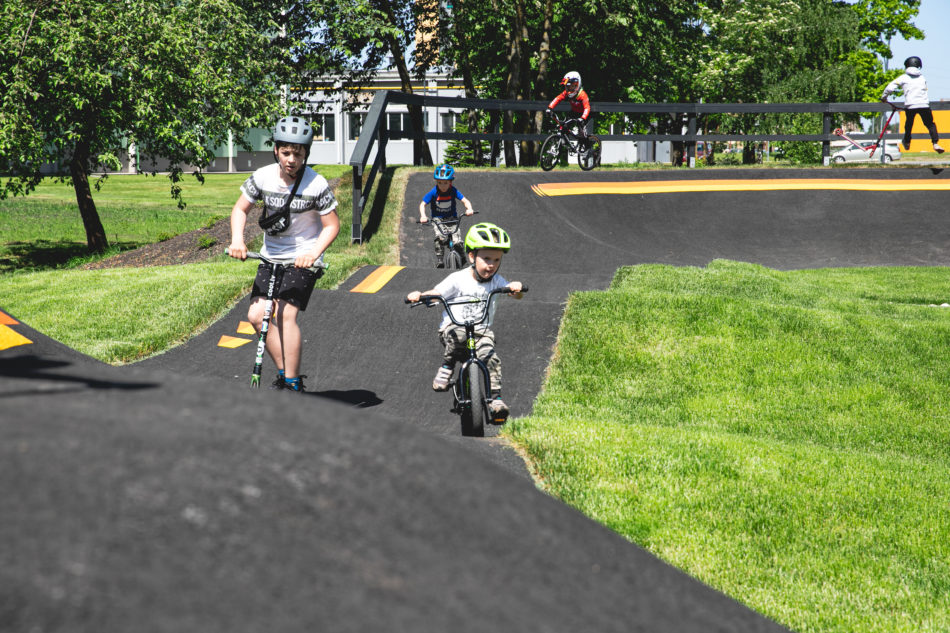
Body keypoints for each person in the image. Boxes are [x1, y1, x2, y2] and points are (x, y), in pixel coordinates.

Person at [227, 115, 340, 392]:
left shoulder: (316, 184)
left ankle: (291, 381)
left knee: (285, 314)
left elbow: (332, 225)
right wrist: (238, 240)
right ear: (276, 150)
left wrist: (313, 254)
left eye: (298, 154)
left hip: (303, 257)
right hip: (271, 256)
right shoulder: (263, 177)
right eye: (286, 152)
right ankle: (286, 373)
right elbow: (240, 209)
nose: (292, 159)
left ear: (306, 154)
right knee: (256, 316)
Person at [406, 222, 524, 423]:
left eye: (496, 260)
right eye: (486, 258)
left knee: (491, 358)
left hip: (481, 331)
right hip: (452, 328)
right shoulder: (458, 279)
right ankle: (447, 366)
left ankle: (495, 400)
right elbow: (437, 294)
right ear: (471, 257)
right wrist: (420, 296)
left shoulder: (497, 281)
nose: (491, 264)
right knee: (459, 336)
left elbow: (515, 294)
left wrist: (516, 289)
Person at [882, 56, 945, 153]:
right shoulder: (922, 78)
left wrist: (884, 97)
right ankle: (935, 143)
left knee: (909, 125)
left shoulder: (904, 77)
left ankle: (907, 142)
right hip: (924, 105)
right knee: (930, 124)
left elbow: (890, 87)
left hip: (911, 105)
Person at [419, 164, 475, 267]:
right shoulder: (433, 192)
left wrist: (469, 208)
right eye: (440, 183)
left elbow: (465, 201)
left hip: (452, 219)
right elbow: (423, 204)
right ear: (436, 182)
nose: (442, 186)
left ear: (450, 182)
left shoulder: (453, 190)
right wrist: (423, 216)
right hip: (438, 220)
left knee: (457, 242)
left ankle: (463, 259)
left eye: (445, 183)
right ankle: (440, 260)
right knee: (439, 238)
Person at [546, 70, 592, 141]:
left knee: (582, 133)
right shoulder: (566, 93)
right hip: (573, 112)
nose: (569, 89)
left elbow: (587, 108)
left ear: (577, 85)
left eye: (571, 86)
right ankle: (564, 145)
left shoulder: (582, 95)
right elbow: (557, 98)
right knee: (564, 126)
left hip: (583, 115)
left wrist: (583, 118)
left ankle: (586, 146)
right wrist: (550, 108)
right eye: (567, 87)